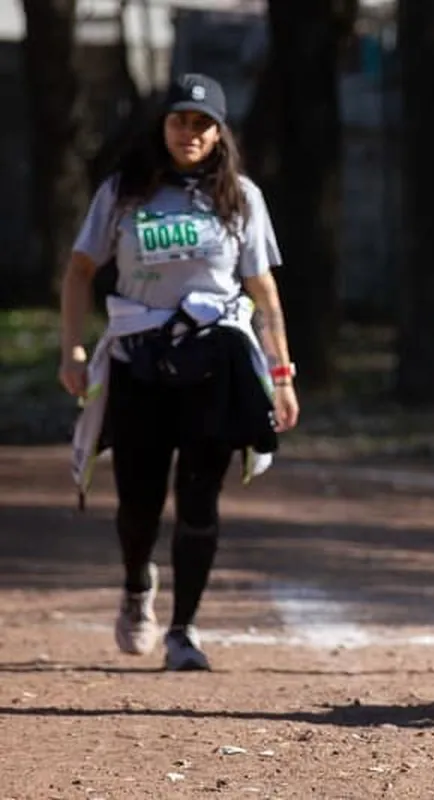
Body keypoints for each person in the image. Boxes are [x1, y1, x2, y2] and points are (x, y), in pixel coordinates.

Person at [59, 73, 298, 672]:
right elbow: (80, 271)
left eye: (201, 123)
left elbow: (261, 287)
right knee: (138, 503)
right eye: (178, 121)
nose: (189, 133)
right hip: (139, 362)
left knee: (200, 501)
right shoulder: (125, 191)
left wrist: (281, 370)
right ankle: (138, 585)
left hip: (213, 363)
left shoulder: (241, 197)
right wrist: (72, 350)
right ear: (161, 127)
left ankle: (183, 630)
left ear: (219, 133)